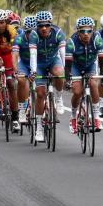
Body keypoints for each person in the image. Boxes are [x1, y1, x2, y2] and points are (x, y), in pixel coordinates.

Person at [28, 11, 66, 142]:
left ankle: (59, 97)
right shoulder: (33, 35)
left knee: (60, 75)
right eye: (40, 26)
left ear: (51, 25)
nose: (43, 28)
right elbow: (32, 55)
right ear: (37, 26)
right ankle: (39, 127)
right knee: (40, 94)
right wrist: (33, 71)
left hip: (53, 60)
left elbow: (62, 53)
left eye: (46, 25)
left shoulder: (58, 33)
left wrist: (66, 69)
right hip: (39, 63)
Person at [65, 16, 103, 134]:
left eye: (89, 31)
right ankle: (73, 117)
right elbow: (67, 65)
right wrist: (68, 80)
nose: (86, 34)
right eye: (82, 31)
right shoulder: (72, 42)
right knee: (77, 92)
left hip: (90, 66)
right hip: (75, 66)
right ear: (78, 31)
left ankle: (96, 118)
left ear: (93, 30)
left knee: (93, 84)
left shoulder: (97, 39)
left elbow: (102, 61)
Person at [13, 16, 37, 125]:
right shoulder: (19, 38)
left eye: (33, 32)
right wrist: (15, 69)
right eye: (28, 32)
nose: (31, 35)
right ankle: (22, 109)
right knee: (22, 80)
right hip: (24, 63)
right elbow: (15, 55)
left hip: (38, 63)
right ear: (24, 31)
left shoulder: (41, 38)